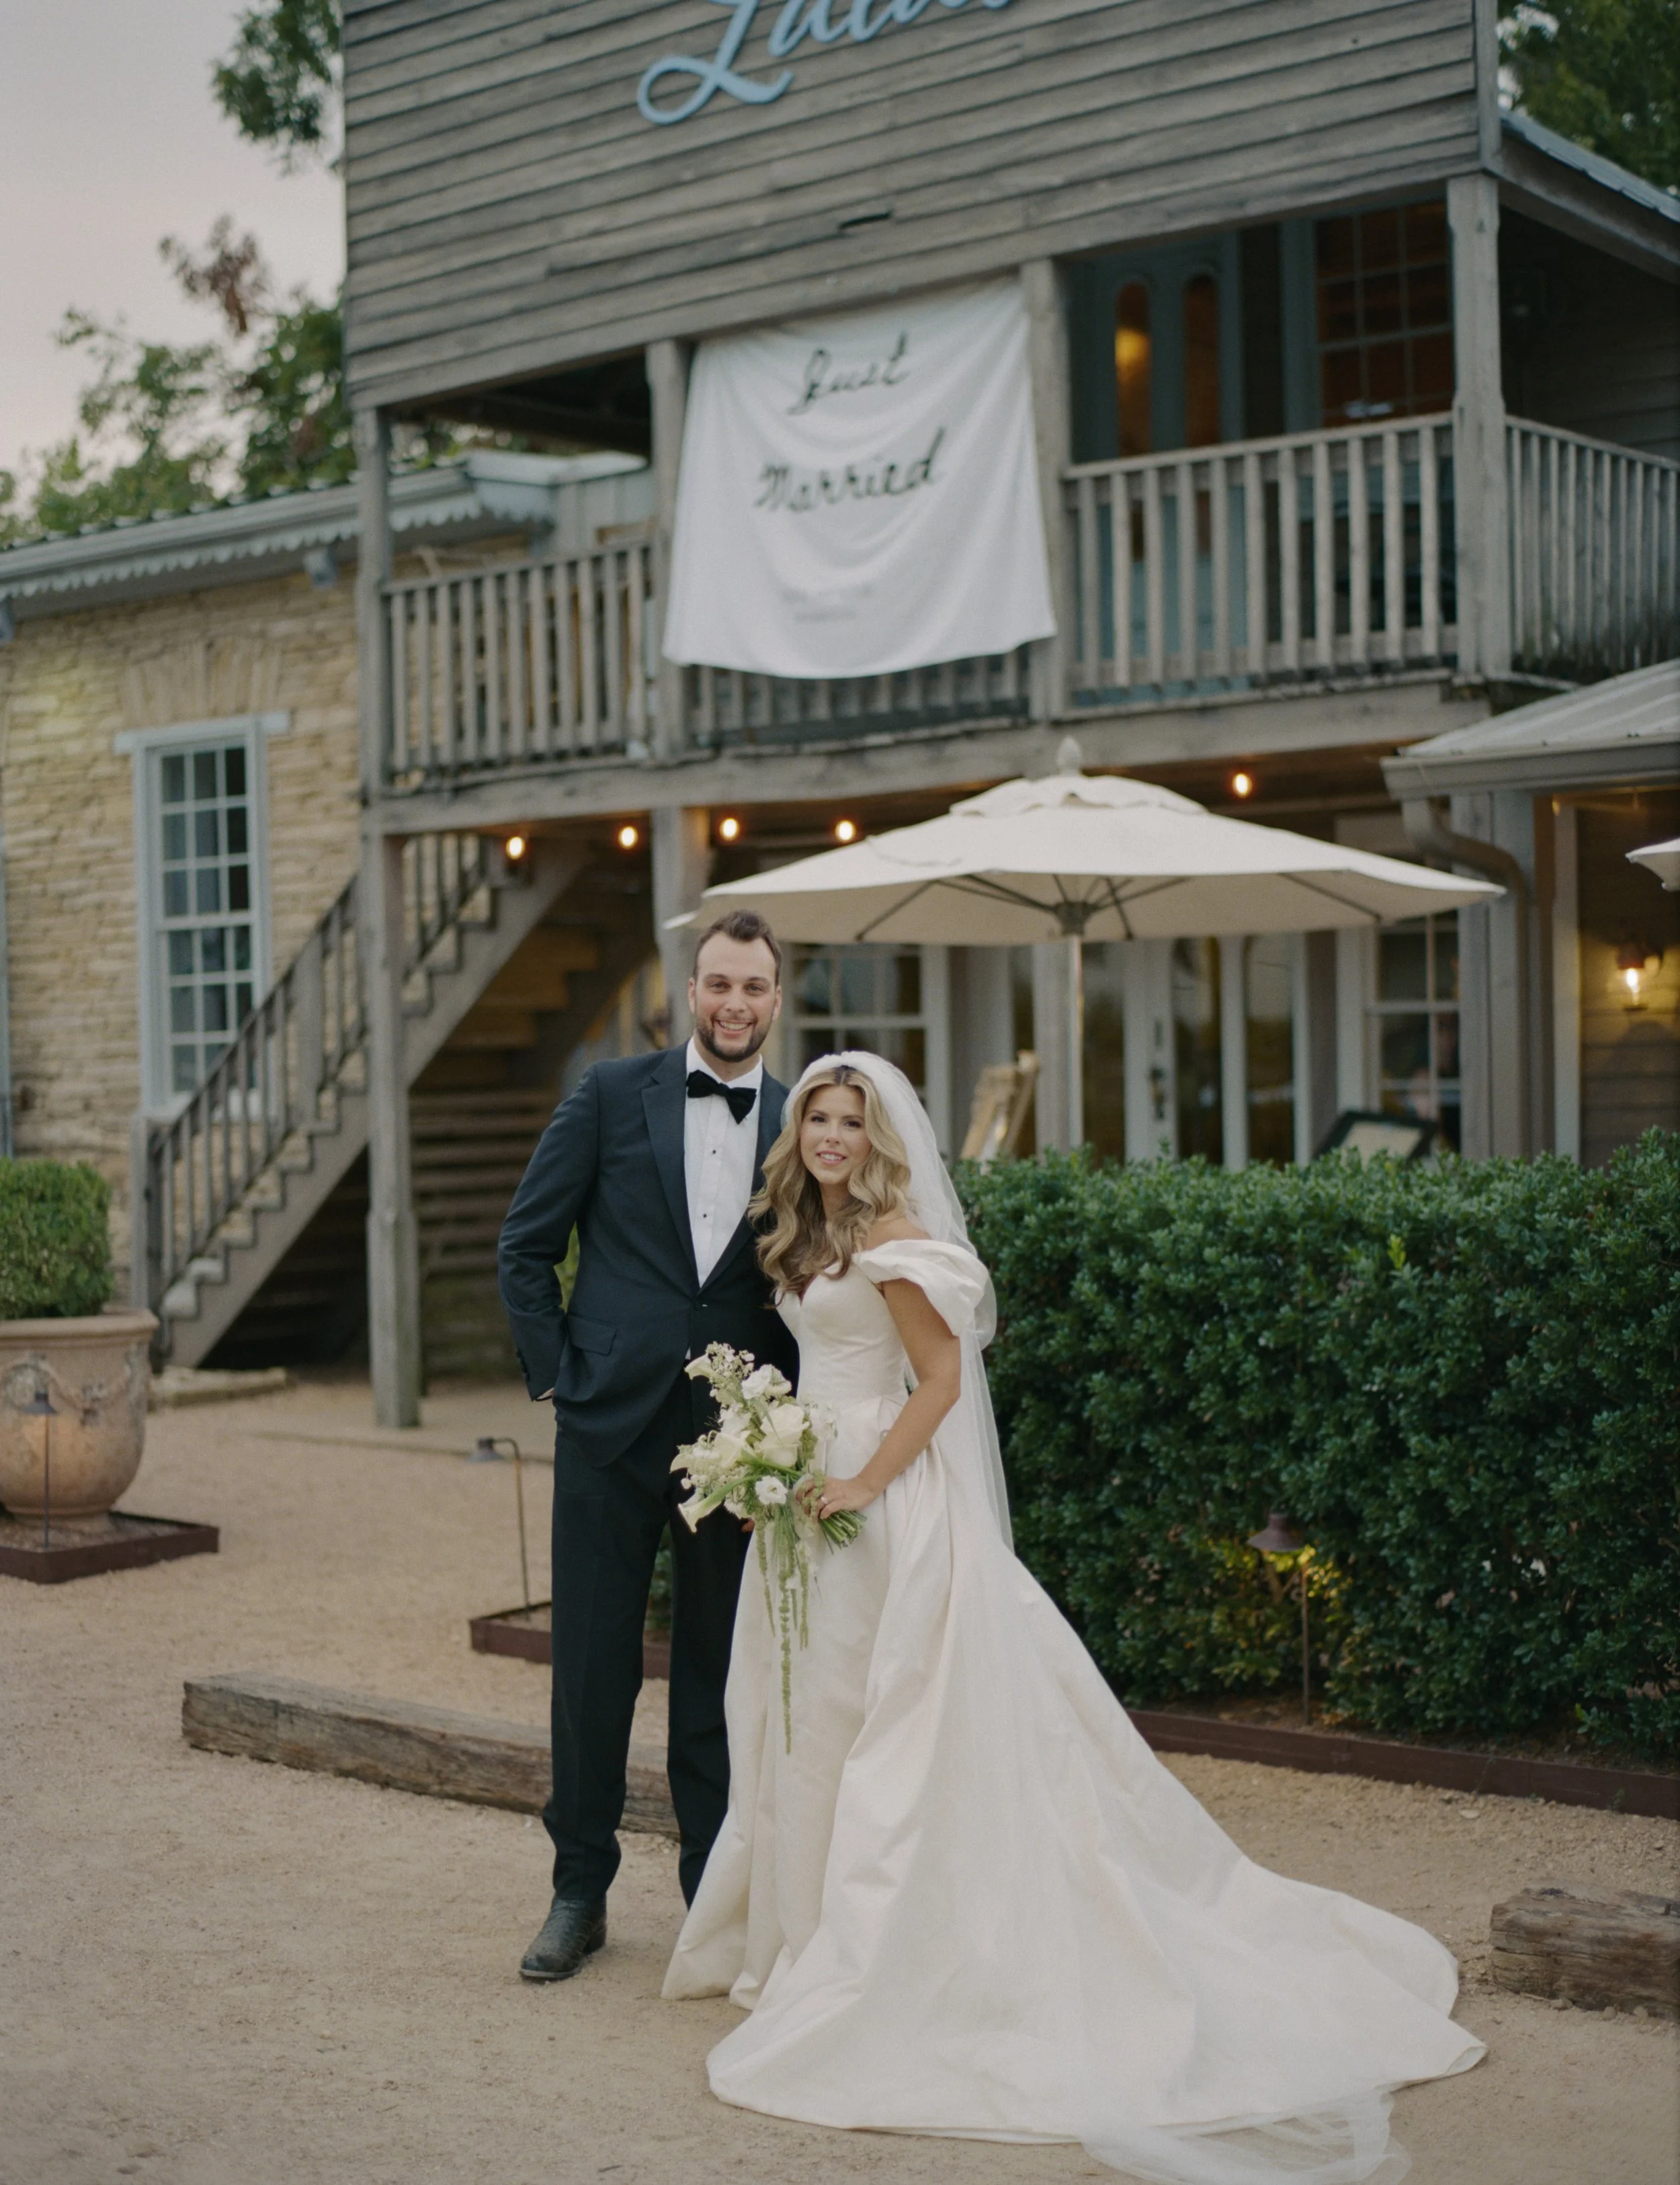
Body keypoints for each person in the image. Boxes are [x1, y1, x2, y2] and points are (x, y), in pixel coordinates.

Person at [664, 1052, 1484, 2185]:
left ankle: (886, 1952)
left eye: (852, 1121)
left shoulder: (899, 1240)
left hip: (881, 1499)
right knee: (812, 1721)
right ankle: (805, 1942)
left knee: (890, 1726)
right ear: (797, 1132)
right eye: (818, 1119)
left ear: (878, 1135)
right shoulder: (806, 1233)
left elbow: (941, 1383)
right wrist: (769, 1466)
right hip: (806, 1488)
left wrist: (860, 1483)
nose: (833, 1138)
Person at [497, 910, 799, 1983]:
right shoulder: (609, 1094)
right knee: (589, 1668)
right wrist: (562, 1378)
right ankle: (578, 1890)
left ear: (776, 998)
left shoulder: (805, 1121)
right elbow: (526, 1247)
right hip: (608, 1430)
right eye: (720, 984)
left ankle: (707, 1899)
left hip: (738, 1447)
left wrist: (791, 1421)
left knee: (720, 1677)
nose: (734, 1005)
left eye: (754, 989)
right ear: (691, 989)